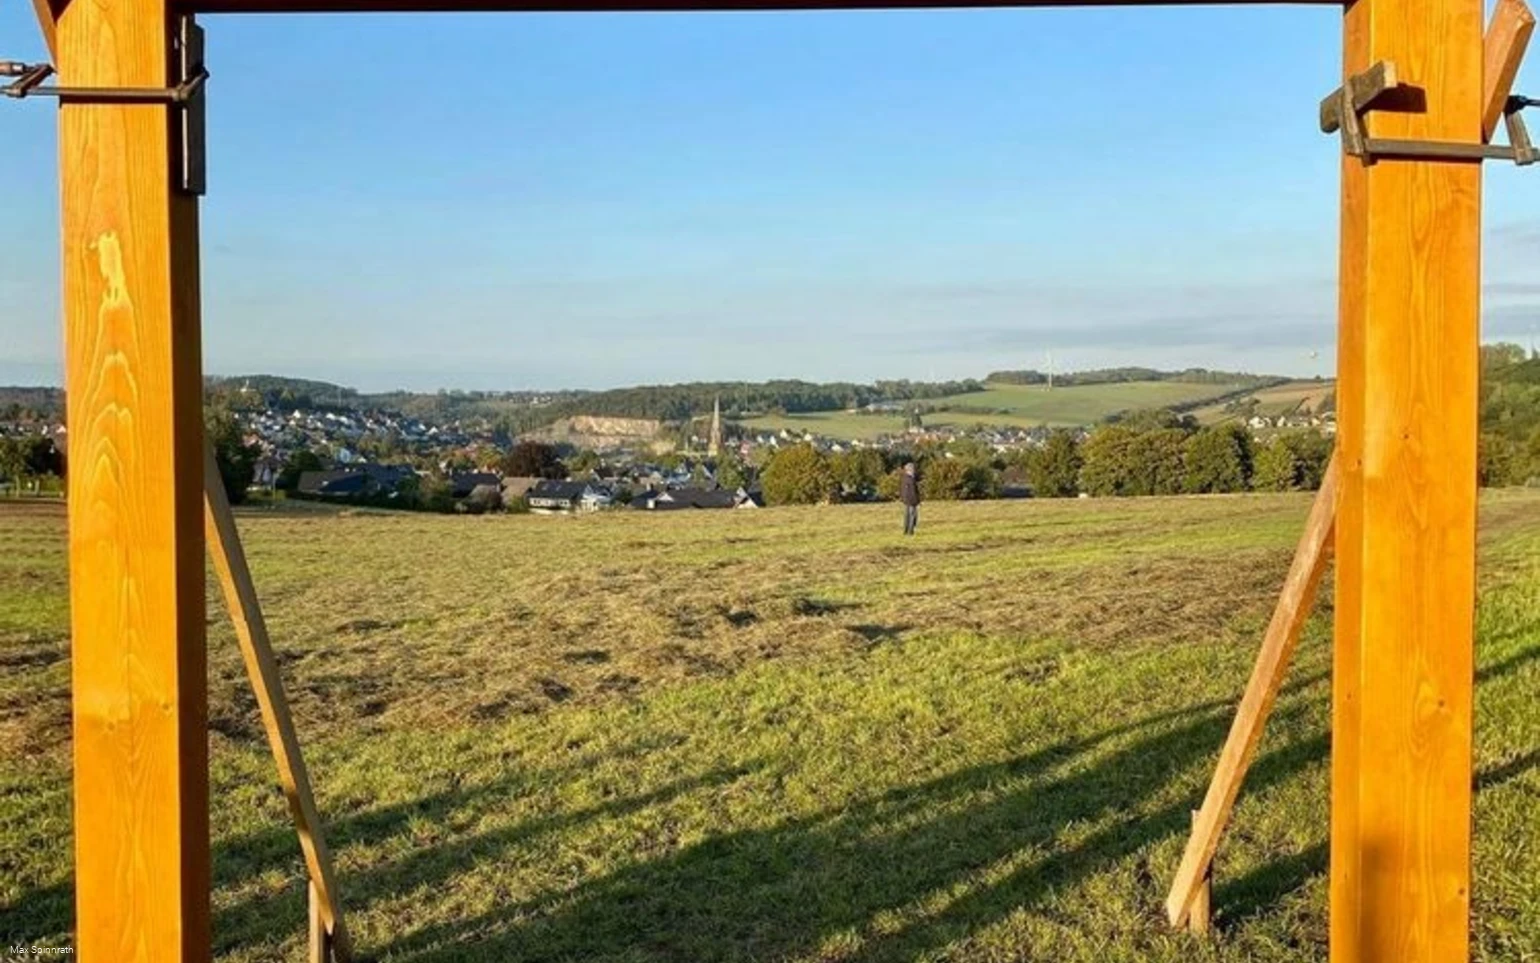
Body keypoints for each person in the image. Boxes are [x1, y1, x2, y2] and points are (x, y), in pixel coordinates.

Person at [899, 461, 920, 536]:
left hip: (906, 500)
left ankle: (905, 530)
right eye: (913, 469)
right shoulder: (910, 479)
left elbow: (902, 490)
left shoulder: (904, 478)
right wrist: (917, 501)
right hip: (911, 500)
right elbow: (913, 491)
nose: (914, 470)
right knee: (912, 516)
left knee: (906, 516)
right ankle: (910, 531)